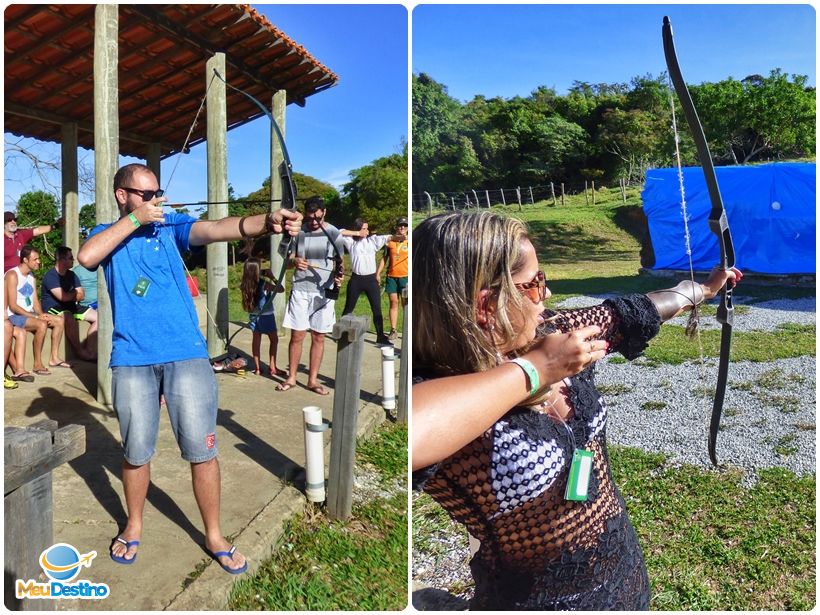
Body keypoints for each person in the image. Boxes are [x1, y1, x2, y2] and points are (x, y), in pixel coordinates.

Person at [411, 211, 741, 610]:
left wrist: (703, 289)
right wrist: (537, 370)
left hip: (624, 578)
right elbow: (414, 433)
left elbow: (634, 309)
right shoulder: (434, 384)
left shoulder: (551, 333)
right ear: (487, 304)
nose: (546, 294)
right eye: (534, 284)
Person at [77, 162, 301, 573]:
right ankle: (133, 525)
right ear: (122, 195)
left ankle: (213, 535)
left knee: (203, 452)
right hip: (132, 359)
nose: (155, 201)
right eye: (146, 195)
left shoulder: (171, 226)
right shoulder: (105, 234)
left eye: (157, 193)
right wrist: (134, 219)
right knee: (136, 452)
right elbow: (87, 257)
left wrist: (267, 222)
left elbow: (217, 228)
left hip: (186, 355)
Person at [277, 196, 344, 395]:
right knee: (297, 335)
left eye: (317, 218)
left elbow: (340, 262)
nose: (314, 222)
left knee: (318, 336)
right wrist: (295, 261)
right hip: (300, 289)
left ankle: (312, 380)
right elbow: (286, 261)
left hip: (323, 292)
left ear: (324, 212)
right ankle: (291, 377)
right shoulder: (299, 231)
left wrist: (339, 278)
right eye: (310, 218)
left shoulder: (333, 233)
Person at [340, 218, 406, 346]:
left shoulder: (372, 241)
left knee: (376, 309)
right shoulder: (350, 242)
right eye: (364, 228)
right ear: (358, 229)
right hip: (356, 280)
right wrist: (357, 234)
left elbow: (389, 237)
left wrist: (399, 237)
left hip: (371, 280)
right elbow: (338, 232)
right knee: (349, 307)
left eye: (367, 228)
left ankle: (380, 336)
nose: (366, 231)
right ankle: (342, 332)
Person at [5, 244, 68, 376]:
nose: (38, 262)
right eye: (35, 259)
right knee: (41, 324)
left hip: (29, 315)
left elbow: (34, 301)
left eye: (38, 259)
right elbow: (13, 306)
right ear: (25, 260)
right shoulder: (12, 275)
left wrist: (41, 314)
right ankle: (37, 364)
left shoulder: (31, 276)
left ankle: (54, 358)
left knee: (59, 320)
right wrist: (36, 318)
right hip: (13, 316)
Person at [40, 245, 97, 361]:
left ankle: (89, 349)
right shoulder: (50, 276)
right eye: (70, 258)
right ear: (62, 259)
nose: (73, 260)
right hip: (53, 308)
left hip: (71, 307)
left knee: (100, 317)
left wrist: (71, 295)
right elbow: (63, 297)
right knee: (68, 317)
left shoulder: (72, 274)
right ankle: (79, 351)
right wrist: (74, 294)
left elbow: (82, 295)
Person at [240, 257, 286, 377]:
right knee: (274, 340)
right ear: (257, 270)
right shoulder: (264, 284)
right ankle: (272, 366)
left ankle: (258, 368)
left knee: (256, 341)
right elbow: (281, 289)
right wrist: (272, 277)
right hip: (266, 317)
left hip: (253, 317)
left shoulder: (244, 285)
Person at [376, 216, 409, 341]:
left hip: (405, 277)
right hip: (392, 277)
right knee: (393, 302)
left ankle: (408, 330)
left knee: (406, 304)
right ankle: (393, 330)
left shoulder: (410, 241)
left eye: (405, 226)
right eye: (400, 225)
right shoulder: (390, 241)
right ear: (396, 227)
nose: (402, 228)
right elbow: (384, 259)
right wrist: (378, 273)